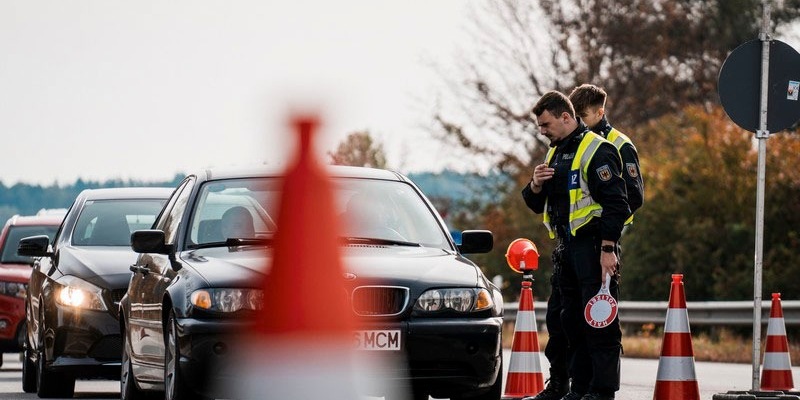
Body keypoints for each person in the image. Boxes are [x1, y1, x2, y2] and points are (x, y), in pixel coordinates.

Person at [521, 91, 630, 400]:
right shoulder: (555, 152)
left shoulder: (597, 149)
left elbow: (617, 204)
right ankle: (573, 388)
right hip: (566, 249)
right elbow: (537, 203)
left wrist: (607, 249)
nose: (542, 131)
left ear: (566, 117)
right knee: (565, 322)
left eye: (546, 124)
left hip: (593, 247)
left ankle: (602, 391)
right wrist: (536, 184)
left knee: (599, 322)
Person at [569, 84, 644, 217]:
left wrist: (609, 225)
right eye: (574, 117)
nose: (577, 122)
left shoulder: (621, 144)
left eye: (582, 116)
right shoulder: (570, 143)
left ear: (600, 113)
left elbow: (634, 196)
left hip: (609, 228)